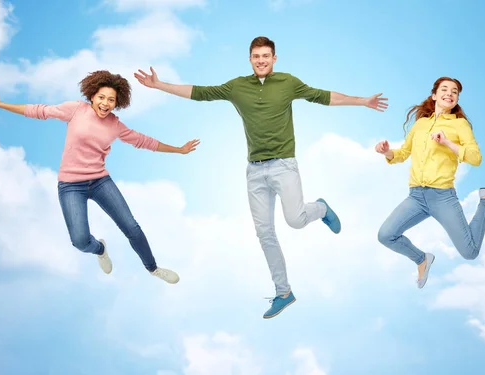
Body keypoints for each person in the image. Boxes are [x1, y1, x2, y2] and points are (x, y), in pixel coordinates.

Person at [134, 36, 389, 319]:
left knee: (295, 220)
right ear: (250, 59)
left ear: (274, 58)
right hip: (254, 171)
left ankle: (322, 208)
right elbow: (200, 92)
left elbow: (323, 96)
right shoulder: (237, 87)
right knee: (264, 233)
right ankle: (284, 293)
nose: (261, 60)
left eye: (266, 56)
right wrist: (159, 85)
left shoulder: (288, 83)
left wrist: (362, 101)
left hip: (283, 166)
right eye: (256, 56)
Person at [0, 70, 200, 284]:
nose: (105, 103)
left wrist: (179, 150)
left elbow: (144, 141)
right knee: (79, 241)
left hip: (99, 182)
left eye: (111, 100)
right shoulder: (75, 110)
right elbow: (38, 111)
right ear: (92, 96)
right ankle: (100, 249)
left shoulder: (115, 125)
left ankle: (153, 269)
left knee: (131, 227)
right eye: (101, 97)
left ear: (118, 103)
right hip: (70, 186)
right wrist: (0, 104)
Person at [375, 77, 485, 289]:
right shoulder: (420, 124)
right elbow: (403, 153)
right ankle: (422, 259)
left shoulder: (460, 125)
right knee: (386, 235)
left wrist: (447, 142)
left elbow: (476, 158)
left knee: (470, 252)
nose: (450, 93)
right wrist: (387, 152)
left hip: (442, 197)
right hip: (416, 197)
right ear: (434, 95)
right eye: (445, 89)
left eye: (455, 91)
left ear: (456, 99)